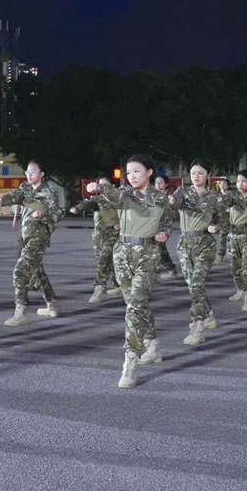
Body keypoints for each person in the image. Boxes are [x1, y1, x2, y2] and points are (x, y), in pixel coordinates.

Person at [87, 155, 173, 389]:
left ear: (149, 173)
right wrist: (100, 187)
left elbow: (168, 222)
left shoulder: (161, 199)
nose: (131, 176)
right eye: (129, 172)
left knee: (135, 306)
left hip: (148, 254)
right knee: (135, 305)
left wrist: (164, 233)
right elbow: (112, 195)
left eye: (137, 171)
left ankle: (130, 362)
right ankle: (152, 345)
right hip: (123, 254)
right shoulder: (125, 193)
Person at [0, 160, 64, 326]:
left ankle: (21, 312)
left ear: (41, 174)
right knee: (37, 272)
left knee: (20, 271)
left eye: (33, 171)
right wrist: (3, 200)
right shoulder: (25, 188)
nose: (29, 174)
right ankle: (52, 305)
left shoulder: (48, 192)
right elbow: (15, 196)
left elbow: (58, 213)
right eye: (27, 171)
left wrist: (43, 216)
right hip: (25, 236)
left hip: (39, 236)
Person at [170, 159, 222, 346]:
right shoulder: (183, 193)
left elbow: (223, 218)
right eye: (193, 173)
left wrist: (216, 226)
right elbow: (174, 204)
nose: (196, 176)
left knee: (197, 283)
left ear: (207, 175)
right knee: (193, 286)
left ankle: (197, 327)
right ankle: (208, 314)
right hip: (185, 245)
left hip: (205, 245)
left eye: (200, 173)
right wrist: (172, 200)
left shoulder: (214, 197)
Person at [70, 175, 120, 303]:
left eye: (105, 185)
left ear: (112, 187)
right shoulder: (97, 200)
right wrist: (77, 208)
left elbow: (129, 214)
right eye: (100, 185)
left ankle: (98, 289)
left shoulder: (119, 200)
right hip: (98, 236)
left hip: (113, 234)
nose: (102, 188)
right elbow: (86, 203)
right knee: (107, 261)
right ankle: (118, 284)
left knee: (103, 260)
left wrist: (121, 224)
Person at [220, 169, 247, 312]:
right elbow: (220, 204)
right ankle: (240, 290)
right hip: (233, 236)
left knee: (246, 268)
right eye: (238, 181)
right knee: (234, 267)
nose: (240, 184)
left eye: (244, 181)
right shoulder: (232, 197)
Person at [153, 174, 179, 281]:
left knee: (159, 250)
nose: (158, 185)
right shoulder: (152, 197)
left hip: (163, 228)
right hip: (152, 228)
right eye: (156, 183)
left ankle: (169, 270)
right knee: (158, 251)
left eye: (160, 183)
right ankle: (168, 270)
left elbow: (173, 216)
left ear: (166, 184)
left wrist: (172, 204)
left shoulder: (168, 198)